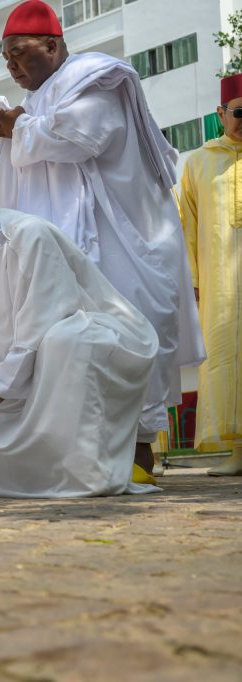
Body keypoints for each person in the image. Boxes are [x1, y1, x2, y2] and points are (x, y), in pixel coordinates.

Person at [0, 0, 204, 471]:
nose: (12, 65)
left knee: (132, 331)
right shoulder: (41, 100)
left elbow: (80, 138)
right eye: (5, 57)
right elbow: (22, 144)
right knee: (73, 342)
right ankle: (87, 453)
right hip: (77, 243)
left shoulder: (95, 79)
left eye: (20, 52)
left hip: (125, 239)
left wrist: (18, 127)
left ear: (52, 45)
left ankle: (139, 451)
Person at [0, 178, 159, 498]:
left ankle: (81, 471)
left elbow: (39, 329)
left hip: (88, 343)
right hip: (9, 370)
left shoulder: (30, 238)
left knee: (67, 340)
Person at [179, 73, 242, 476]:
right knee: (225, 360)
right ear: (221, 113)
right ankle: (239, 449)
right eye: (239, 112)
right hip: (220, 285)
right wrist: (194, 282)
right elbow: (187, 224)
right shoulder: (199, 162)